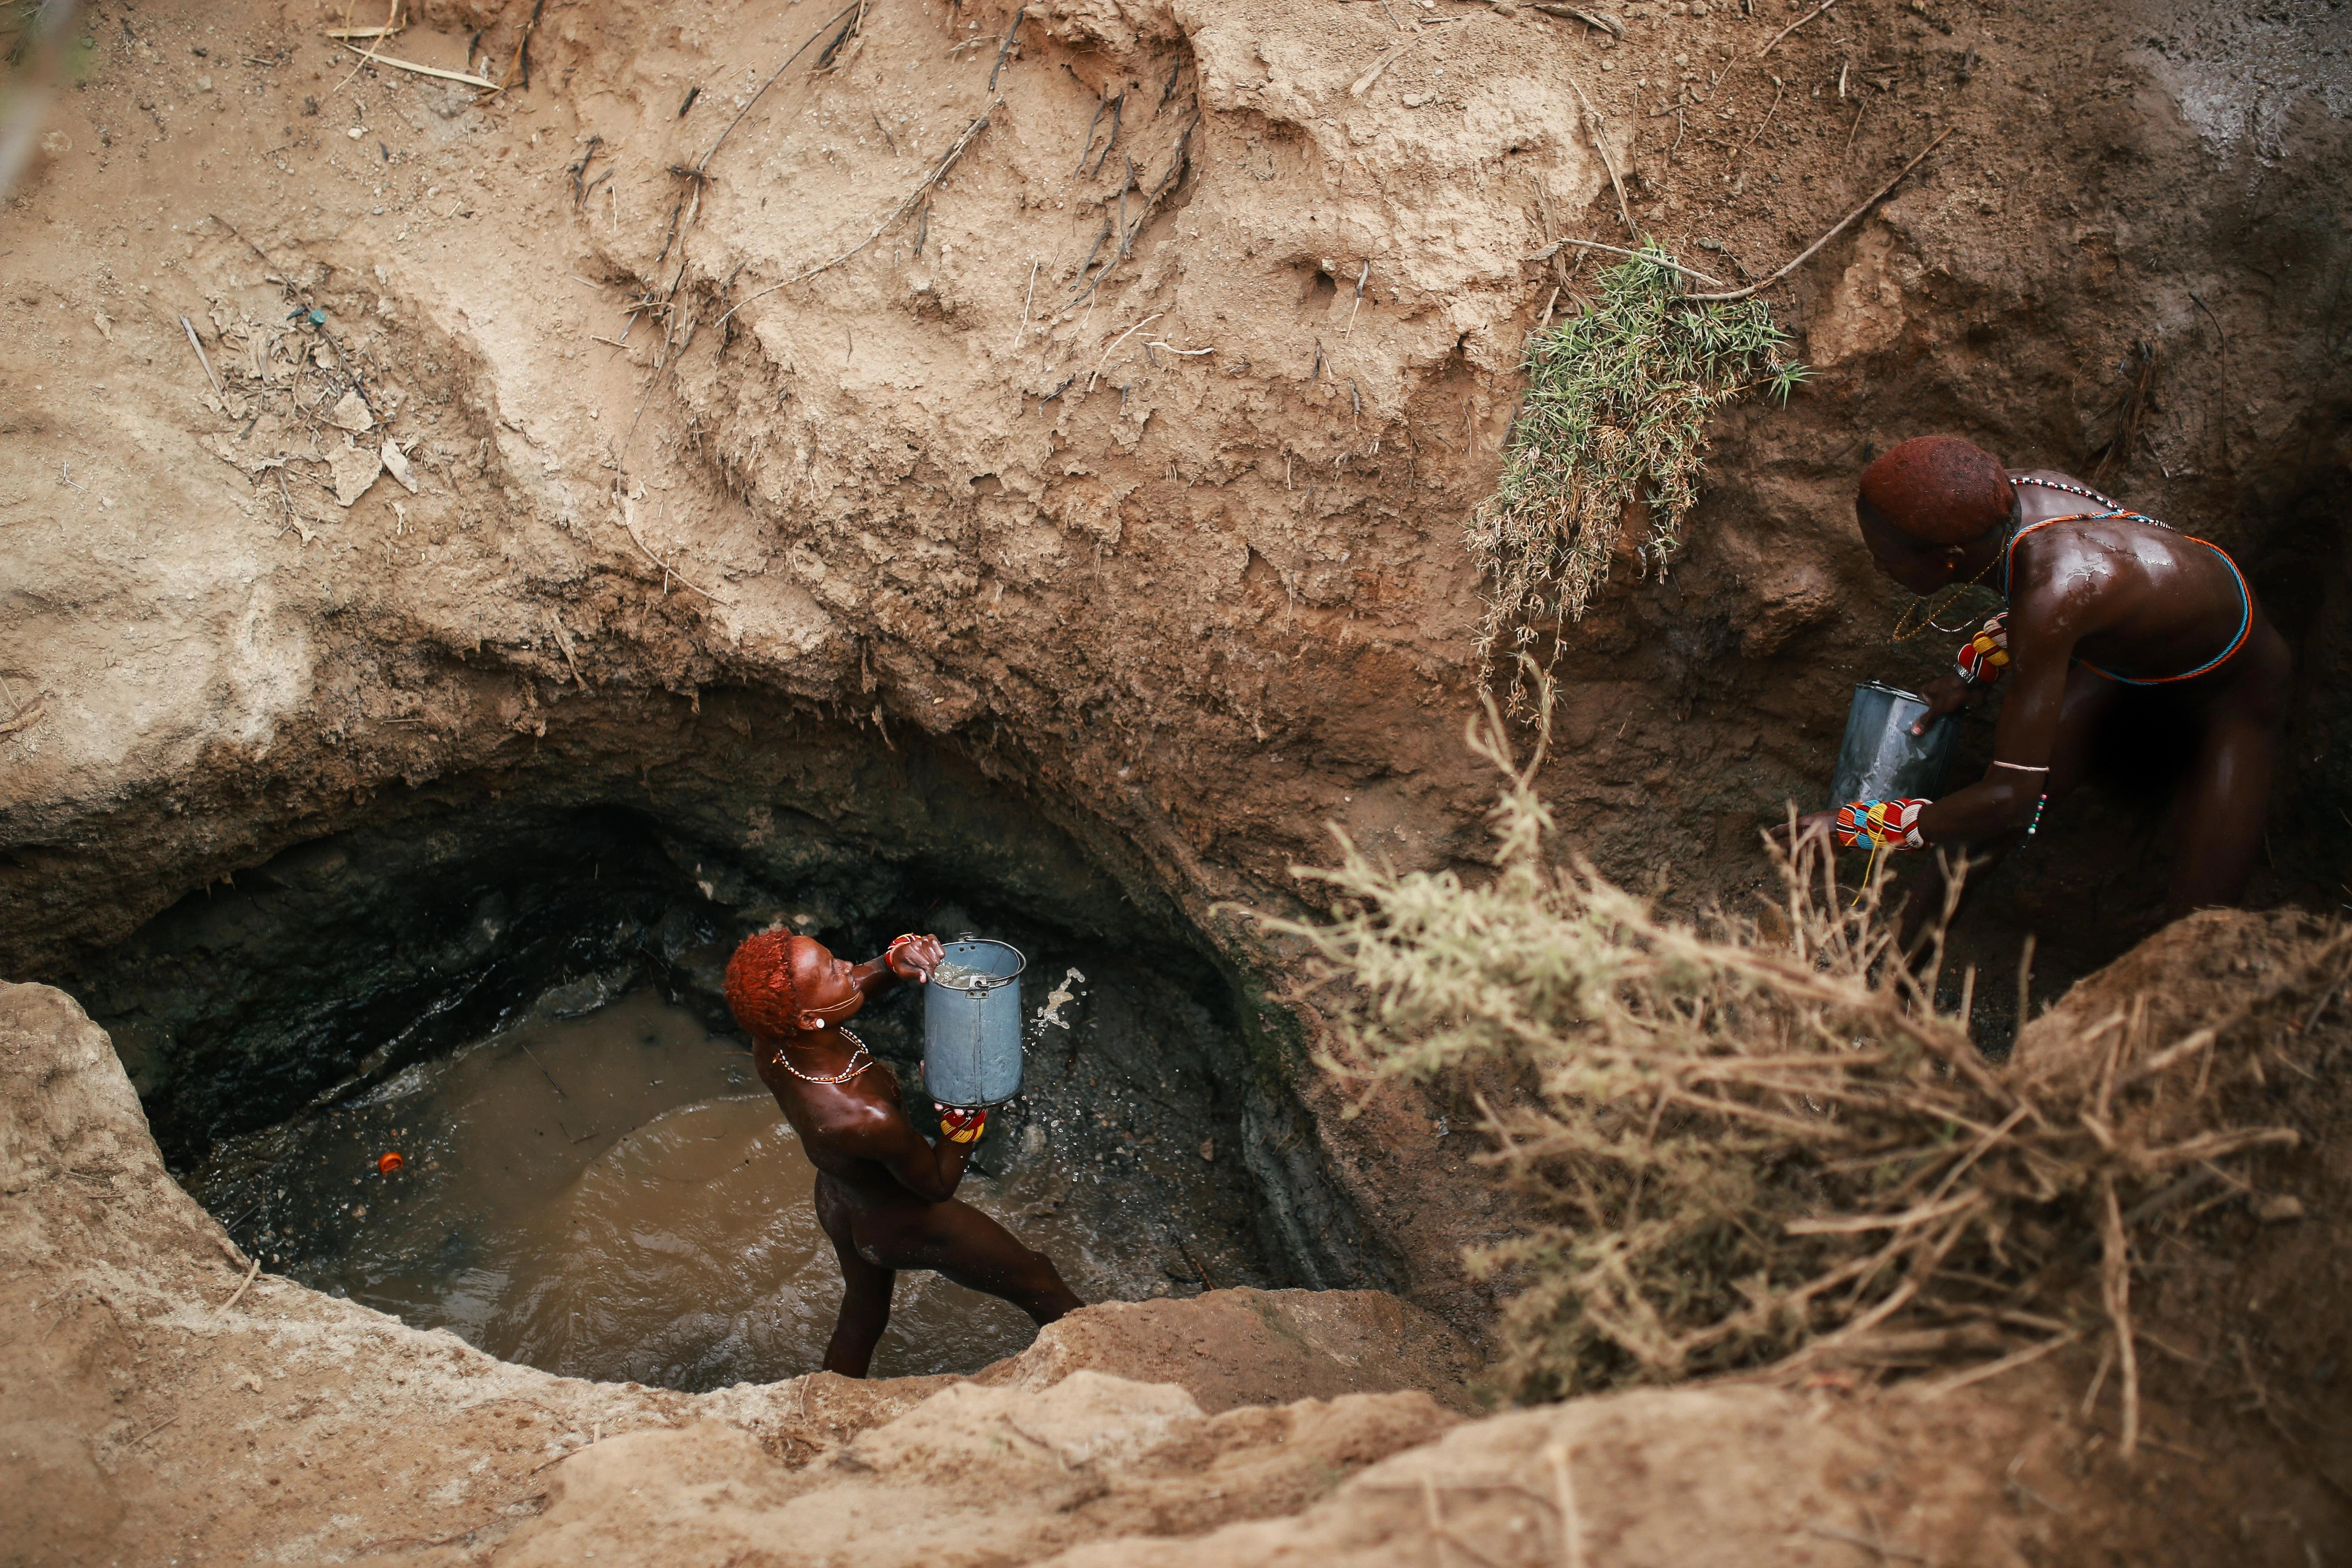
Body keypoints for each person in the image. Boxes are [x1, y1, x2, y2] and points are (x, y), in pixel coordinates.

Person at [1783, 435, 2291, 920]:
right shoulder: (2000, 501)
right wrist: (1972, 671)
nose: (1879, 568)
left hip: (2231, 690)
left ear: (1949, 561)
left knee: (2198, 928)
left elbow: (2009, 800)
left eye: (1885, 560)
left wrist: (1857, 826)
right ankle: (1898, 970)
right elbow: (2065, 608)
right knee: (1968, 839)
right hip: (2123, 663)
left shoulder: (2052, 592)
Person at [723, 928, 1083, 1377]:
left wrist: (891, 964)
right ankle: (1102, 1369)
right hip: (903, 1221)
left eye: (835, 958)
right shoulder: (864, 1115)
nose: (849, 967)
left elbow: (853, 985)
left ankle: (829, 1399)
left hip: (841, 1202)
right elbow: (938, 1185)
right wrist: (966, 1113)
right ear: (810, 1019)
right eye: (833, 970)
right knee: (1039, 1278)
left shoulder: (774, 1041)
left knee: (864, 1314)